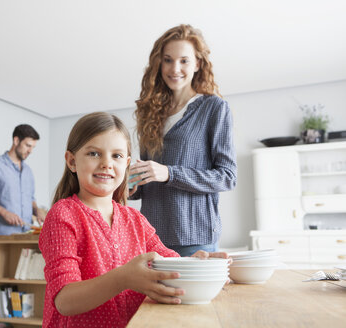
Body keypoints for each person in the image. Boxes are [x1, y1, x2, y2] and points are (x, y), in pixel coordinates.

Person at [38, 112, 228, 328]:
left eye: (116, 156)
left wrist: (197, 262)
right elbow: (64, 301)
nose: (106, 164)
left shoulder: (135, 219)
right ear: (72, 161)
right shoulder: (62, 215)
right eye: (94, 153)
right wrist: (123, 278)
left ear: (127, 164)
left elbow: (168, 262)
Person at [129, 24, 237, 257]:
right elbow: (149, 181)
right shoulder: (150, 112)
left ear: (198, 64)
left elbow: (227, 177)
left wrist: (169, 173)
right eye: (167, 60)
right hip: (152, 239)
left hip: (195, 238)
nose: (174, 68)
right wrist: (131, 185)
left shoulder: (214, 108)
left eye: (184, 61)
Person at [0, 123, 46, 236]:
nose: (30, 151)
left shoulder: (28, 171)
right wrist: (3, 212)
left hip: (27, 236)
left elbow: (30, 198)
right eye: (28, 145)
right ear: (16, 141)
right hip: (3, 237)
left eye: (33, 147)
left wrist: (37, 210)